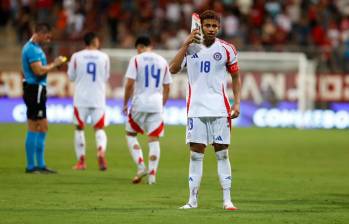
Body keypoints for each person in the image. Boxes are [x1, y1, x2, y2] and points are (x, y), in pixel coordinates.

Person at [169, 10, 241, 210]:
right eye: (207, 25)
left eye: (214, 26)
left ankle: (227, 200)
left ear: (219, 28)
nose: (211, 29)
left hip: (220, 109)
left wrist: (237, 103)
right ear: (200, 26)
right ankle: (192, 201)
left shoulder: (228, 49)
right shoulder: (190, 48)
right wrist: (185, 44)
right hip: (196, 110)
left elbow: (236, 76)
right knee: (195, 155)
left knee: (223, 155)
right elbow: (172, 69)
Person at [123, 35, 172, 184]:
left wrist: (125, 103)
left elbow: (129, 84)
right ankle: (152, 177)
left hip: (139, 103)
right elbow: (167, 86)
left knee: (130, 134)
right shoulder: (162, 61)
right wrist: (162, 104)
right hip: (156, 104)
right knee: (154, 138)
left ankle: (141, 166)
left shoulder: (136, 59)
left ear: (139, 47)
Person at [22, 23, 67, 173]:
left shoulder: (36, 48)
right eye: (47, 36)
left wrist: (54, 65)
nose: (49, 39)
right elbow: (39, 71)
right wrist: (55, 64)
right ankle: (31, 166)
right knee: (34, 125)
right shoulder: (32, 49)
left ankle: (40, 165)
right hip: (34, 89)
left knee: (43, 126)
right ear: (40, 33)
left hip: (38, 90)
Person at [67, 32, 110, 171]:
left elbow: (71, 77)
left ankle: (81, 161)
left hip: (81, 98)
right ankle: (101, 151)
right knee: (99, 128)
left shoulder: (76, 56)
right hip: (98, 98)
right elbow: (106, 76)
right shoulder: (104, 57)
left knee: (79, 128)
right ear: (94, 41)